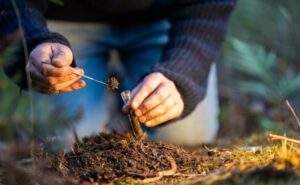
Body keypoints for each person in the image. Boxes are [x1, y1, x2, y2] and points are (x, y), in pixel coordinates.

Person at [1, 0, 236, 146]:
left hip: (166, 16)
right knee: (63, 142)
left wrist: (181, 74)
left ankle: (125, 89)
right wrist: (33, 41)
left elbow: (211, 4)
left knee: (186, 136)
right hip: (61, 17)